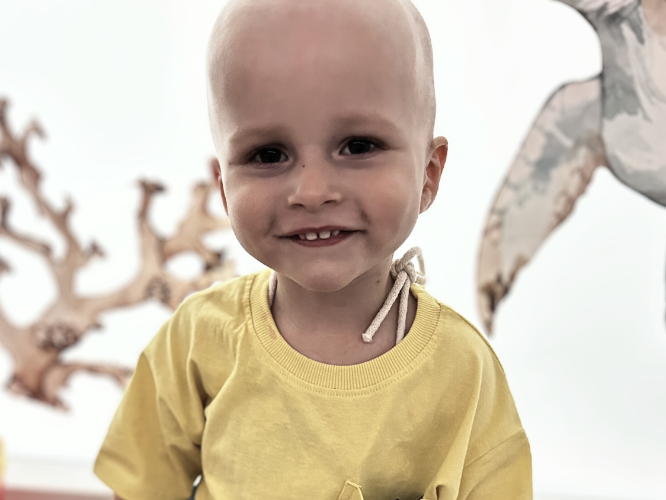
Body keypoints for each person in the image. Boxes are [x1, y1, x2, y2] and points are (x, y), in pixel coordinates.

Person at [94, 0, 532, 498]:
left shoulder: (464, 373)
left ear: (428, 174)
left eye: (358, 146)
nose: (312, 191)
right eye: (268, 154)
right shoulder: (198, 340)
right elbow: (141, 487)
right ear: (223, 187)